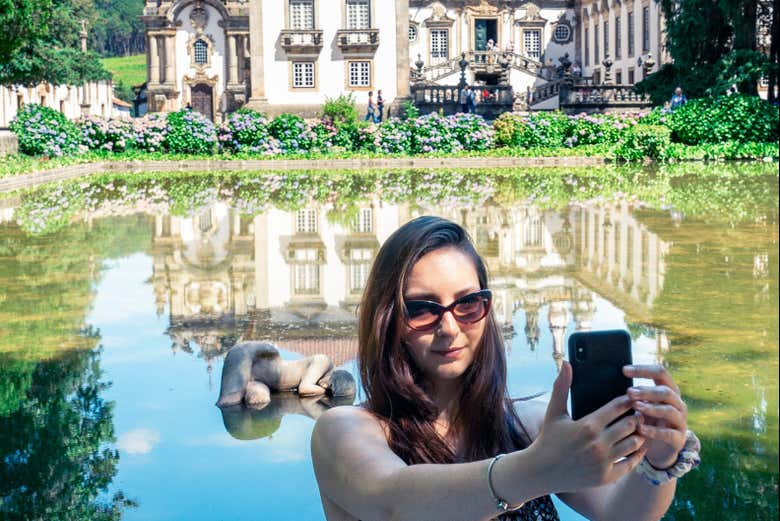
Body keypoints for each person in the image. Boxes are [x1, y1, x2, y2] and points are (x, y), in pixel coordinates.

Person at [311, 216, 699, 521]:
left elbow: (623, 514)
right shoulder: (345, 431)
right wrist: (540, 467)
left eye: (468, 304)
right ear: (388, 319)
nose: (449, 328)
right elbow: (392, 502)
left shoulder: (527, 424)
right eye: (422, 309)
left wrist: (659, 459)